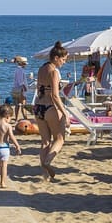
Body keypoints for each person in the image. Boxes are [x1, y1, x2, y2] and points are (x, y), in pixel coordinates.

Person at [33, 41, 71, 181]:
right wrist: (64, 112)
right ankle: (48, 161)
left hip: (38, 107)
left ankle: (45, 175)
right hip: (50, 107)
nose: (64, 62)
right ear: (56, 58)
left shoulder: (41, 69)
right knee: (60, 139)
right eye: (63, 59)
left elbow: (39, 90)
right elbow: (55, 95)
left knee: (45, 142)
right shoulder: (54, 72)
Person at [11, 56, 30, 120]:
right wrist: (24, 88)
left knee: (17, 104)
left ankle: (16, 118)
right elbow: (21, 82)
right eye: (25, 64)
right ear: (22, 64)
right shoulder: (21, 70)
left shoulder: (17, 69)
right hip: (21, 89)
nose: (25, 65)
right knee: (23, 104)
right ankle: (25, 117)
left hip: (16, 88)